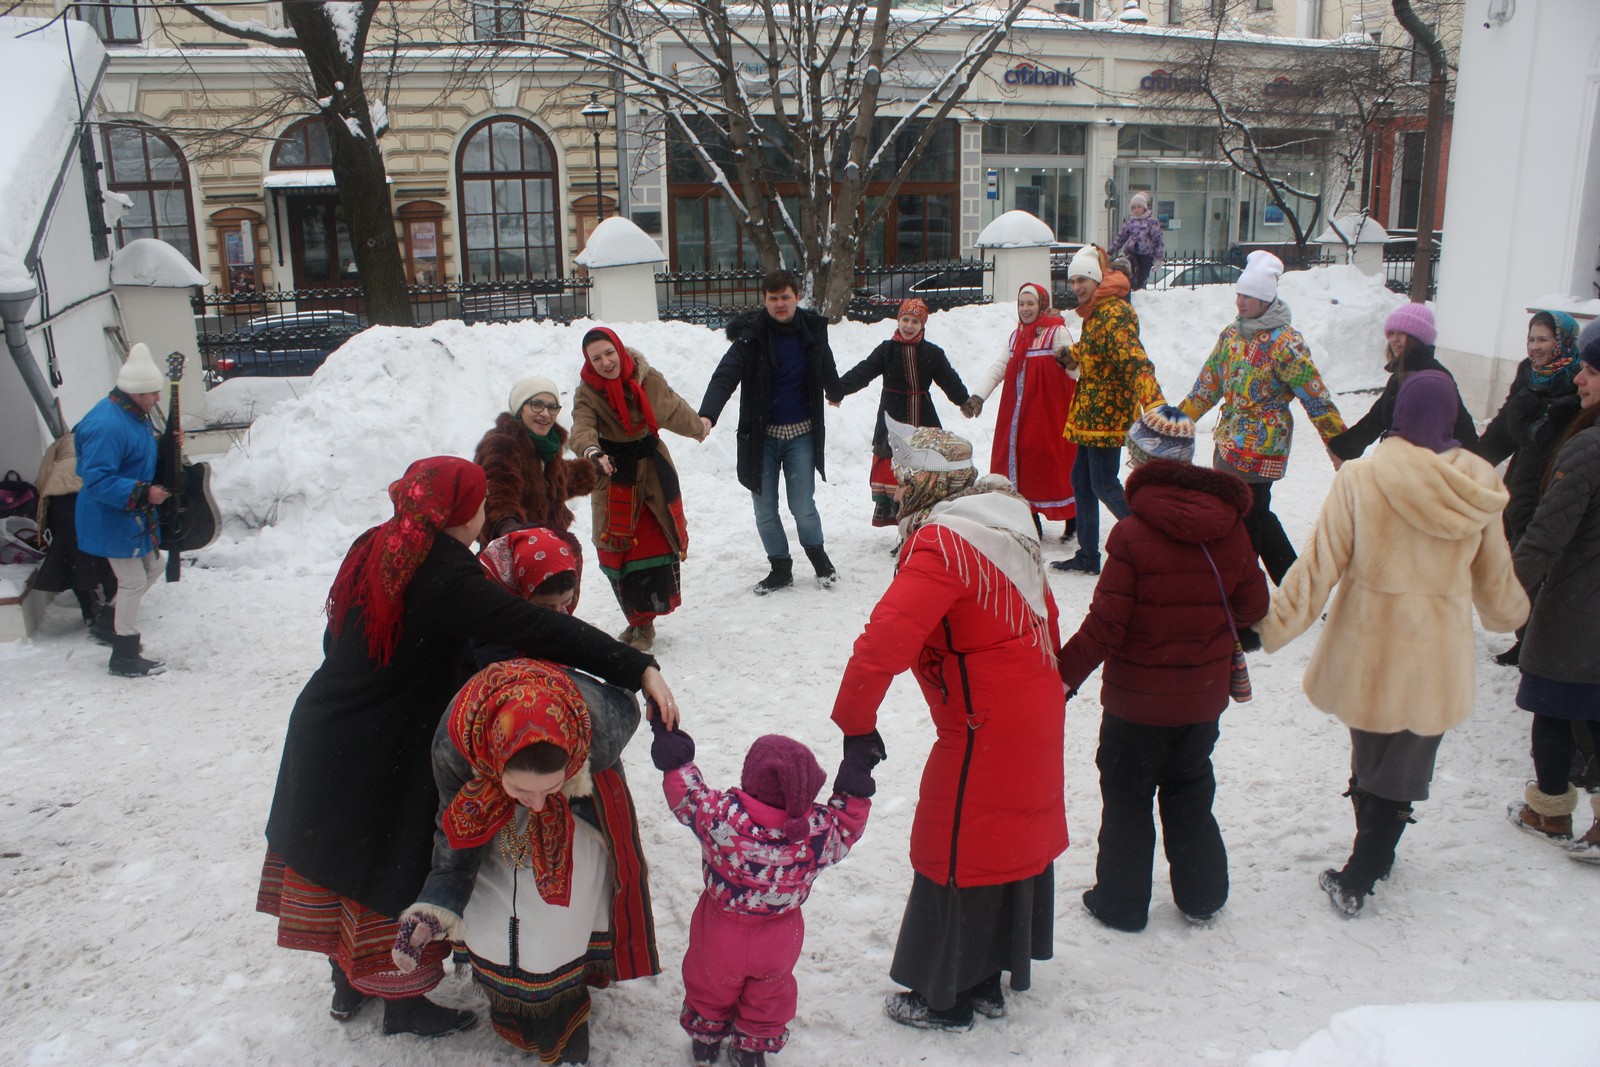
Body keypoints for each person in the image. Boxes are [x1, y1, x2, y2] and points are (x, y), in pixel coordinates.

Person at [257, 456, 677, 1038]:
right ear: (459, 513)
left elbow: (337, 633)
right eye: (479, 503)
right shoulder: (444, 573)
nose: (485, 513)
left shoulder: (379, 542)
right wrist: (638, 667)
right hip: (390, 741)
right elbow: (534, 625)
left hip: (330, 723)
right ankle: (403, 1005)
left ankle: (347, 986)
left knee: (343, 861)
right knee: (389, 864)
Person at [1254, 373, 1528, 916]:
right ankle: (1377, 853)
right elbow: (1496, 585)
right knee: (1405, 761)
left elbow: (1317, 567)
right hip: (1435, 652)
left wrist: (1271, 626)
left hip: (1367, 645)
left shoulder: (1363, 476)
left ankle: (1361, 871)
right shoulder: (1478, 485)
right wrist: (1513, 616)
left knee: (1371, 752)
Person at [831, 422, 1066, 1032]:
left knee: (954, 841)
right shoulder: (1004, 516)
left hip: (984, 718)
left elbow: (882, 645)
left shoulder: (943, 544)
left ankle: (946, 995)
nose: (894, 486)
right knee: (1004, 835)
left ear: (921, 481)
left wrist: (855, 724)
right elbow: (1048, 609)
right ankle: (988, 975)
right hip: (1030, 699)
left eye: (901, 477)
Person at [1058, 407, 1268, 932]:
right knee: (1190, 790)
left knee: (1127, 802)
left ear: (1143, 463)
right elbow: (1254, 606)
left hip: (1136, 706)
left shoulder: (1132, 536)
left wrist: (1058, 676)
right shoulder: (1231, 528)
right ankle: (1201, 896)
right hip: (1201, 701)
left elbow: (1105, 627)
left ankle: (1122, 905)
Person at [392, 657, 660, 1063]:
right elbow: (453, 827)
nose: (536, 806)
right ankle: (513, 1009)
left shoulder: (601, 731)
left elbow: (628, 700)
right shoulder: (455, 747)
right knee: (493, 913)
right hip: (489, 802)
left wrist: (647, 674)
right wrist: (438, 904)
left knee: (558, 922)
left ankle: (566, 1012)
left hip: (575, 813)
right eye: (522, 791)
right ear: (492, 762)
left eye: (547, 789)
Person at [648, 725, 873, 1067]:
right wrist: (855, 778)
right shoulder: (815, 833)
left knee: (710, 980)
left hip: (720, 929)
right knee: (770, 990)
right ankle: (752, 1046)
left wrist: (673, 752)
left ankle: (706, 1038)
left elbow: (688, 796)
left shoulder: (720, 815)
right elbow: (846, 825)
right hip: (779, 935)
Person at [1178, 250, 1346, 585]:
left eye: (1250, 296)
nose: (1241, 302)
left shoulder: (1285, 343)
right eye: (1240, 293)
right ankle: (1297, 585)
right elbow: (1208, 384)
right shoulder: (1232, 335)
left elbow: (1316, 397)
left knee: (1245, 518)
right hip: (1228, 441)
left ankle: (1244, 598)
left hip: (1263, 444)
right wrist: (1178, 419)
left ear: (1267, 300)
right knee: (1253, 515)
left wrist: (1338, 442)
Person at [1503, 318, 1600, 862]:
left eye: (1590, 371)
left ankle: (1550, 811)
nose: (1581, 381)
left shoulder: (1587, 449)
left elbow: (1546, 533)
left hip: (1576, 606)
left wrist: (1505, 586)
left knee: (1554, 705)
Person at [699, 270, 841, 594]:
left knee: (803, 506)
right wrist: (707, 415)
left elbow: (825, 363)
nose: (780, 304)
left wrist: (834, 391)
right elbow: (725, 375)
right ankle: (780, 567)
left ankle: (819, 558)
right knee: (764, 509)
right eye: (773, 298)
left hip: (801, 436)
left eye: (785, 297)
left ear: (797, 297)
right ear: (764, 300)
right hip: (760, 440)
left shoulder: (812, 330)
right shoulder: (751, 335)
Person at [569, 326, 705, 652]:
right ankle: (638, 619)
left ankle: (644, 624)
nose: (605, 362)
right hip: (615, 474)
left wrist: (698, 427)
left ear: (619, 349)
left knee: (650, 548)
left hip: (653, 473)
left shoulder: (647, 379)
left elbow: (671, 408)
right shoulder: (588, 392)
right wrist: (592, 451)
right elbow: (581, 427)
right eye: (596, 357)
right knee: (617, 550)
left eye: (609, 353)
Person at [1472, 310, 1583, 667]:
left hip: (1558, 482)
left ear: (1562, 341)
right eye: (1531, 339)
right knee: (1520, 553)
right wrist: (1475, 463)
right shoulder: (1528, 373)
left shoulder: (1580, 380)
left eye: (1543, 340)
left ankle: (1542, 642)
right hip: (1523, 478)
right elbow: (1506, 424)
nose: (1535, 347)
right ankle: (1526, 637)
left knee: (1541, 561)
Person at [1055, 245, 1166, 575]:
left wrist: (1155, 403)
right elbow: (1097, 350)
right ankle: (1088, 556)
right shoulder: (1095, 311)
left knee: (1104, 484)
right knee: (1082, 481)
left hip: (1108, 412)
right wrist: (1073, 353)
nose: (1076, 287)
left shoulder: (1114, 313)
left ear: (1095, 278)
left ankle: (1155, 545)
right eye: (1072, 281)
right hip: (1091, 412)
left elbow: (1135, 361)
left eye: (1081, 280)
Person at [73, 342, 177, 677]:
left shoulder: (134, 414)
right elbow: (97, 480)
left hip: (129, 514)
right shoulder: (107, 425)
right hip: (110, 514)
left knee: (153, 568)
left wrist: (169, 444)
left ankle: (109, 624)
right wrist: (145, 493)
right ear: (134, 392)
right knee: (132, 581)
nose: (157, 400)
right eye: (152, 393)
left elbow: (139, 454)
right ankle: (124, 656)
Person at [831, 297, 974, 527]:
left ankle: (921, 521)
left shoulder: (932, 353)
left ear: (922, 325)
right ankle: (901, 523)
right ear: (898, 320)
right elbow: (863, 372)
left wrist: (964, 401)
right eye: (905, 319)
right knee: (893, 468)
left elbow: (949, 379)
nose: (908, 326)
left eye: (915, 321)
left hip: (923, 418)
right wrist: (839, 390)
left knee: (924, 470)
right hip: (892, 415)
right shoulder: (886, 350)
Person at [964, 282, 1078, 537]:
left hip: (1048, 412)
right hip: (1019, 413)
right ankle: (1030, 515)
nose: (1025, 309)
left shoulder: (1056, 333)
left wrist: (1070, 360)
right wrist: (978, 397)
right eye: (1021, 304)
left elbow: (1076, 370)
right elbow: (1000, 366)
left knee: (1053, 461)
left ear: (1042, 305)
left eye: (1031, 303)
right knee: (1023, 463)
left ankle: (1072, 516)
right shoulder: (1017, 336)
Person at [1326, 303, 1478, 463]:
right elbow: (1378, 417)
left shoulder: (1427, 378)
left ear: (1418, 338)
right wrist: (1342, 449)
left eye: (1403, 333)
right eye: (1391, 333)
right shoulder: (1404, 373)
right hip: (1410, 468)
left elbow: (1455, 430)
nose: (1394, 340)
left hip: (1424, 471)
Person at [473, 374, 596, 544]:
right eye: (536, 405)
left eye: (552, 407)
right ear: (519, 408)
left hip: (546, 544)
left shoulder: (547, 445)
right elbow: (497, 491)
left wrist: (590, 471)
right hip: (512, 547)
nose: (545, 414)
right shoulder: (501, 444)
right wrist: (506, 524)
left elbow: (551, 481)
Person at [31, 430, 117, 640]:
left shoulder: (58, 445)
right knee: (105, 552)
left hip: (60, 498)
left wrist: (42, 520)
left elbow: (41, 479)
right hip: (89, 493)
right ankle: (112, 606)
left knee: (71, 553)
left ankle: (88, 607)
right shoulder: (100, 439)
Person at [1107, 191, 1164, 292]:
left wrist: (1158, 258)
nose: (1136, 210)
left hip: (1146, 254)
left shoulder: (1152, 222)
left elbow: (1158, 240)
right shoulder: (1130, 222)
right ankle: (1130, 290)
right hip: (1131, 252)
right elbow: (1121, 238)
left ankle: (1140, 290)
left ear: (1144, 207)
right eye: (1134, 207)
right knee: (1128, 272)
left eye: (1139, 207)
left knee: (1142, 277)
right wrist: (1110, 252)